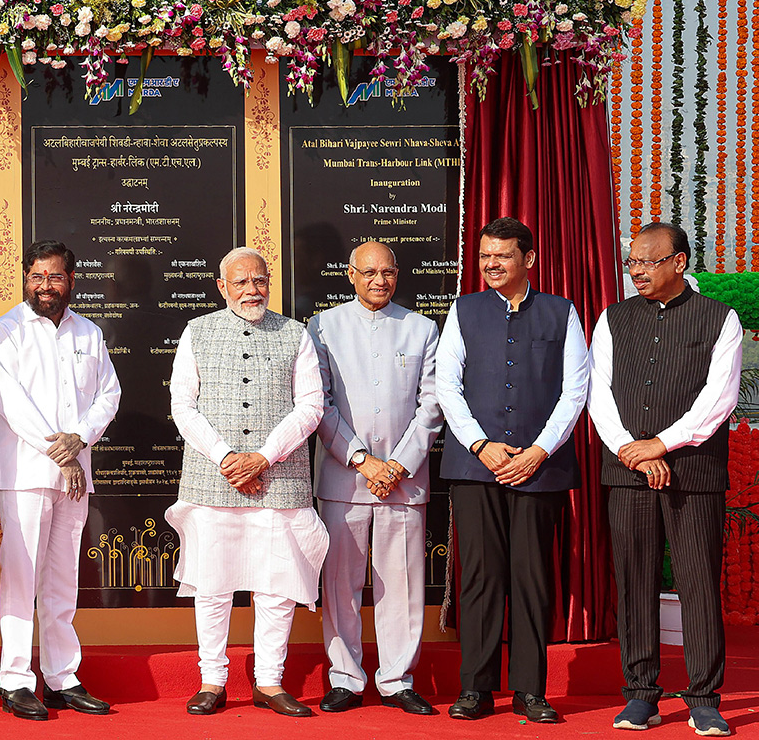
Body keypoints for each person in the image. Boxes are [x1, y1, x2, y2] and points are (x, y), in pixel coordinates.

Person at [588, 222, 741, 736]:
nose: (636, 272)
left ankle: (703, 697)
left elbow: (718, 399)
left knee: (698, 584)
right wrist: (634, 452)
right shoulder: (613, 319)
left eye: (647, 262)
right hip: (628, 472)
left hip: (693, 475)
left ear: (678, 263)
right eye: (632, 263)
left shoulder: (720, 319)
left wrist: (662, 444)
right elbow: (599, 396)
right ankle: (640, 695)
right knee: (634, 583)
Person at [435, 217, 589, 723]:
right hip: (475, 466)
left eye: (502, 256)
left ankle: (530, 691)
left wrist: (539, 450)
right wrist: (480, 444)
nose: (491, 265)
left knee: (531, 578)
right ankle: (476, 689)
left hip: (539, 468)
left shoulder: (561, 313)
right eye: (485, 257)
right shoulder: (463, 311)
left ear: (529, 259)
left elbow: (575, 392)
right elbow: (447, 387)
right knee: (479, 578)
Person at [167, 246, 327, 718]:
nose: (251, 290)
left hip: (278, 478)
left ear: (269, 283)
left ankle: (270, 682)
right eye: (240, 283)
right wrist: (227, 458)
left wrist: (261, 457)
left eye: (259, 281)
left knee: (276, 586)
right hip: (212, 479)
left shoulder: (295, 334)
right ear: (222, 287)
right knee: (211, 585)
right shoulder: (196, 331)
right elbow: (183, 405)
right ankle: (212, 680)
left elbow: (311, 406)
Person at [0, 240, 121, 720]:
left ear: (70, 280)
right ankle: (16, 681)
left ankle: (63, 678)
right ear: (25, 278)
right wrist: (58, 451)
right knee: (22, 580)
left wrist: (80, 440)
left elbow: (109, 393)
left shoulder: (89, 333)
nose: (45, 286)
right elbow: (11, 404)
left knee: (64, 578)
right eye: (37, 277)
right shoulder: (7, 331)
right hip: (26, 475)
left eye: (55, 277)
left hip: (74, 475)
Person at [308, 241, 443, 716]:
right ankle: (345, 677)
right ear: (350, 274)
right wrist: (364, 461)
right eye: (368, 272)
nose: (379, 281)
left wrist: (399, 465)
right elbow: (318, 404)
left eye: (387, 272)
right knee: (340, 585)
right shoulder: (323, 326)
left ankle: (397, 679)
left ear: (398, 274)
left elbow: (432, 404)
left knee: (403, 586)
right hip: (345, 480)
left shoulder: (423, 328)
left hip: (405, 482)